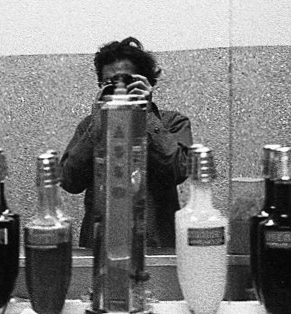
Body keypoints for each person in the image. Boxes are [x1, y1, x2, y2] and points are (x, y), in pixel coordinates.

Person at [59, 37, 192, 249]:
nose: (119, 88)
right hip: (101, 248)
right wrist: (98, 123)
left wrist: (145, 115)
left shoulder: (172, 123)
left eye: (127, 81)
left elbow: (179, 171)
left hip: (157, 247)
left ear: (146, 82)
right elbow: (69, 181)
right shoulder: (90, 126)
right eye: (110, 83)